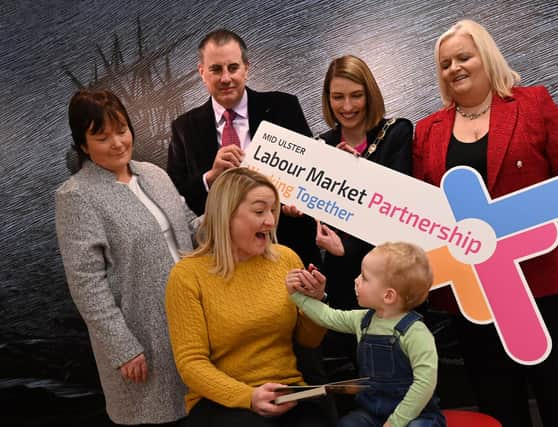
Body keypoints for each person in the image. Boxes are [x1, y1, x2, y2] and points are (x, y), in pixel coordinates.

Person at [412, 19, 558, 427]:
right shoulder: (428, 131)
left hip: (548, 280)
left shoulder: (534, 103)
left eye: (464, 56)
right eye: (445, 63)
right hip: (475, 290)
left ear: (487, 57)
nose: (455, 68)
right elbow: (422, 207)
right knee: (497, 401)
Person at [55, 89, 198, 426]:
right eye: (102, 137)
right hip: (142, 337)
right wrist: (123, 348)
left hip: (192, 320)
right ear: (82, 145)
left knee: (200, 412)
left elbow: (191, 227)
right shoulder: (76, 196)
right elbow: (87, 286)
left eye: (121, 131)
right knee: (159, 415)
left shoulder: (154, 174)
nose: (117, 143)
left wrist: (229, 215)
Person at [164, 167, 333, 427]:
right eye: (259, 211)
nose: (270, 221)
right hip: (223, 401)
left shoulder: (286, 258)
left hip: (289, 391)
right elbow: (191, 363)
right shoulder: (187, 276)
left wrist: (316, 303)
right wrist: (249, 396)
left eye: (272, 210)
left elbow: (307, 340)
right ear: (227, 214)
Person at [167, 28, 321, 267]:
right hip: (224, 261)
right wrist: (210, 177)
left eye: (233, 67)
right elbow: (176, 196)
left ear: (246, 69)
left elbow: (312, 172)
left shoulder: (283, 106)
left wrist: (296, 203)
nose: (226, 78)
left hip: (289, 248)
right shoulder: (184, 128)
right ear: (202, 73)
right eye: (216, 69)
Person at [316, 55, 414, 368]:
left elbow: (397, 205)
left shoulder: (396, 132)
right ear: (328, 100)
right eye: (338, 97)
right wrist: (299, 211)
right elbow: (322, 214)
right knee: (360, 369)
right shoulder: (320, 146)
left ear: (369, 94)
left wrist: (356, 172)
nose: (347, 106)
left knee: (400, 367)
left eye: (356, 95)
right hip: (343, 279)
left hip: (390, 274)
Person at [286, 242, 445, 427]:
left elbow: (425, 383)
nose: (356, 280)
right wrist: (296, 296)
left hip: (415, 415)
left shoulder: (415, 333)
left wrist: (397, 421)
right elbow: (328, 316)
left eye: (365, 278)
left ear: (388, 296)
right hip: (372, 412)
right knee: (349, 424)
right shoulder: (362, 320)